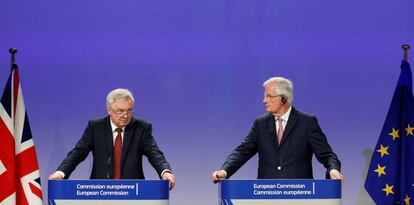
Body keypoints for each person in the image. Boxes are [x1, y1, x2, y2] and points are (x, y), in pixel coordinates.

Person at [211, 77, 343, 182]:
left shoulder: (307, 122)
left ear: (284, 99)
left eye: (269, 96)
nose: (264, 100)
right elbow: (242, 152)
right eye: (264, 96)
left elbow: (327, 155)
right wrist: (224, 171)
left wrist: (333, 170)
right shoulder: (260, 124)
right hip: (266, 194)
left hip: (299, 195)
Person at [49, 88, 176, 190]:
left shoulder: (141, 128)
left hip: (133, 192)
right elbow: (78, 153)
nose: (125, 116)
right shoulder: (96, 127)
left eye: (129, 110)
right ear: (109, 110)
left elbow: (154, 152)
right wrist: (61, 173)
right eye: (120, 111)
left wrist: (165, 172)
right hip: (99, 191)